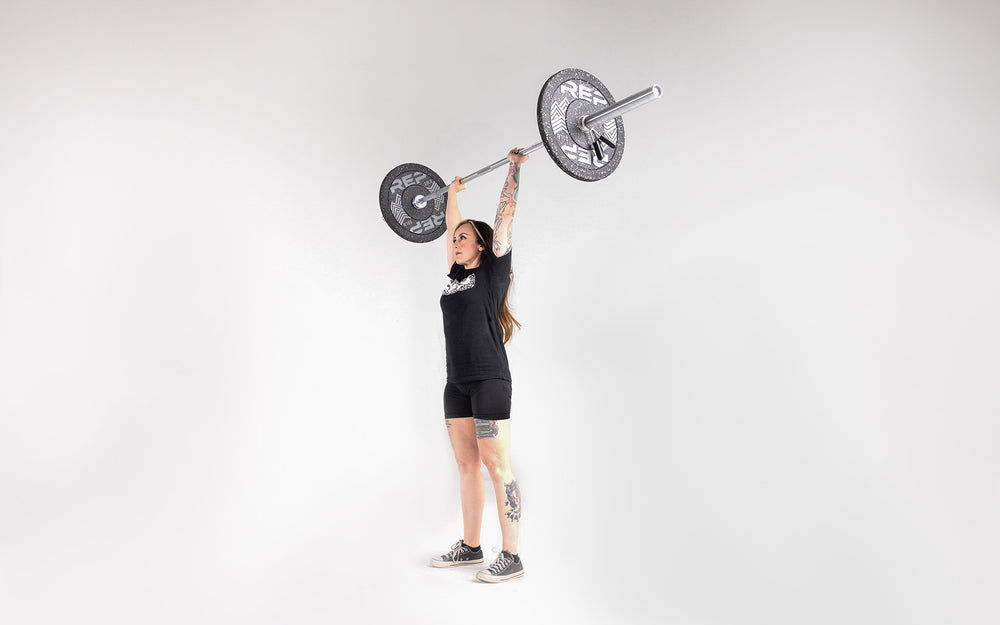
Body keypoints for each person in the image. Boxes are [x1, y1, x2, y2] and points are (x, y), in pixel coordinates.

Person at [429, 148, 528, 583]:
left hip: (489, 380)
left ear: (482, 245)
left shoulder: (492, 272)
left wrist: (513, 170)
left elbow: (504, 216)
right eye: (455, 238)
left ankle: (511, 555)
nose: (455, 241)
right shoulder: (455, 275)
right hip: (457, 384)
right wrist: (452, 193)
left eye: (464, 237)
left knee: (496, 465)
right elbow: (451, 224)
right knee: (466, 465)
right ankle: (470, 546)